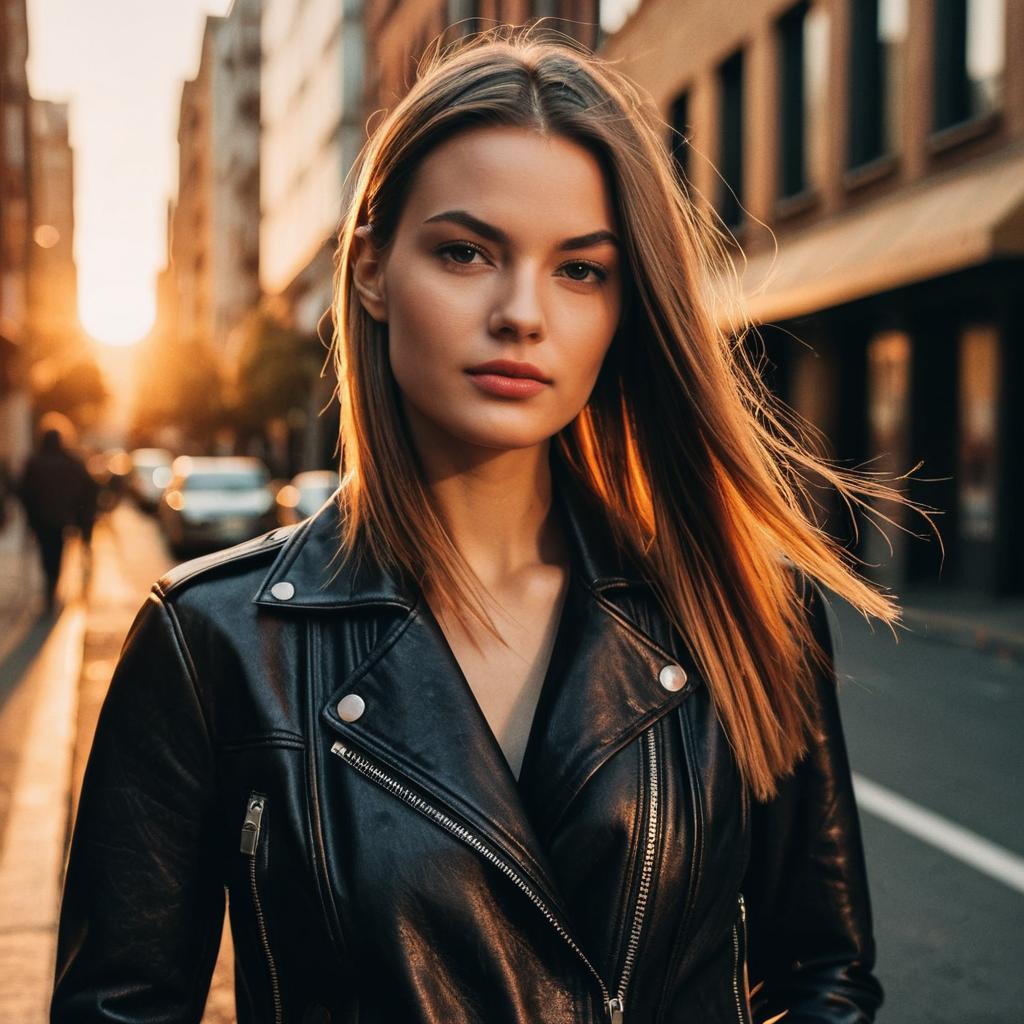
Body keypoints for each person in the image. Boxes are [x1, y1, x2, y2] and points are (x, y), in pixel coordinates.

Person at [51, 28, 922, 1023]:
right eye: (466, 252)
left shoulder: (744, 607)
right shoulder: (215, 642)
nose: (521, 312)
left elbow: (821, 973)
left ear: (625, 306)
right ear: (373, 271)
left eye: (580, 271)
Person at [17, 413, 98, 612]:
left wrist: (30, 517)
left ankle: (49, 590)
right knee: (57, 553)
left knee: (47, 554)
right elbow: (88, 490)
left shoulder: (34, 462)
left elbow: (24, 492)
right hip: (62, 519)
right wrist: (82, 522)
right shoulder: (72, 463)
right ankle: (52, 589)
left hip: (41, 520)